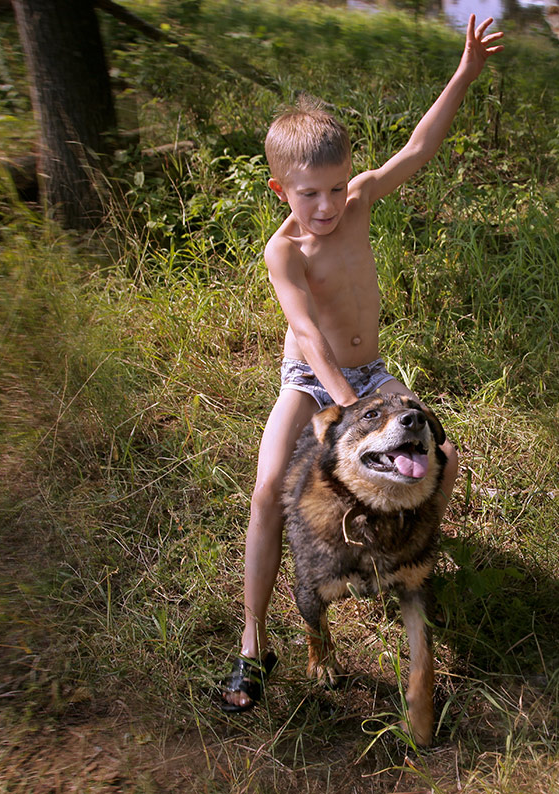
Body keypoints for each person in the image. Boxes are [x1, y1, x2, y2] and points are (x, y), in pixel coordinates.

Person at [220, 15, 504, 712]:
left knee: (448, 456)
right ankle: (254, 642)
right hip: (313, 383)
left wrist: (464, 73)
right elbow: (308, 336)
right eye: (308, 193)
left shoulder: (358, 202)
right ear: (279, 190)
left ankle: (408, 551)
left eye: (336, 187)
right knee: (265, 494)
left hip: (371, 376)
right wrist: (346, 410)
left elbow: (417, 147)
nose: (326, 205)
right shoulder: (282, 252)